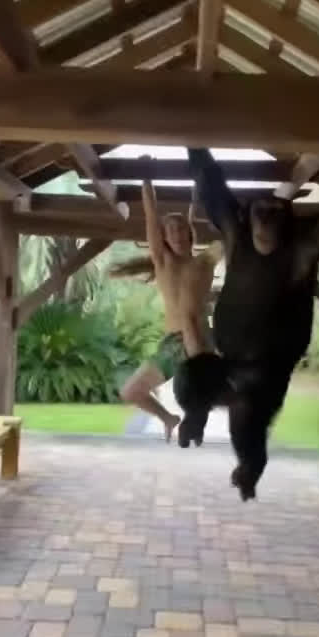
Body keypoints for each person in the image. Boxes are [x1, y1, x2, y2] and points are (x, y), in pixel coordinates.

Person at [110, 172, 223, 442]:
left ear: (190, 234)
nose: (177, 234)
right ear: (164, 238)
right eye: (170, 231)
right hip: (172, 345)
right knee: (130, 392)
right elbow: (151, 215)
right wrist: (146, 178)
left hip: (199, 338)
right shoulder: (163, 262)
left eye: (181, 229)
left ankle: (197, 419)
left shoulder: (205, 261)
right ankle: (169, 419)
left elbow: (230, 238)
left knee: (198, 367)